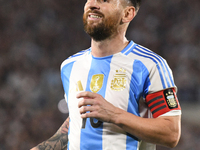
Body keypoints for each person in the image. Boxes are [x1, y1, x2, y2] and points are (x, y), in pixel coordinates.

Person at [31, 0, 181, 149]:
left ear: (127, 13)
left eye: (104, 0)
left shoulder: (149, 65)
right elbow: (79, 123)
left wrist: (114, 114)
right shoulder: (69, 66)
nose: (92, 4)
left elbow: (171, 133)